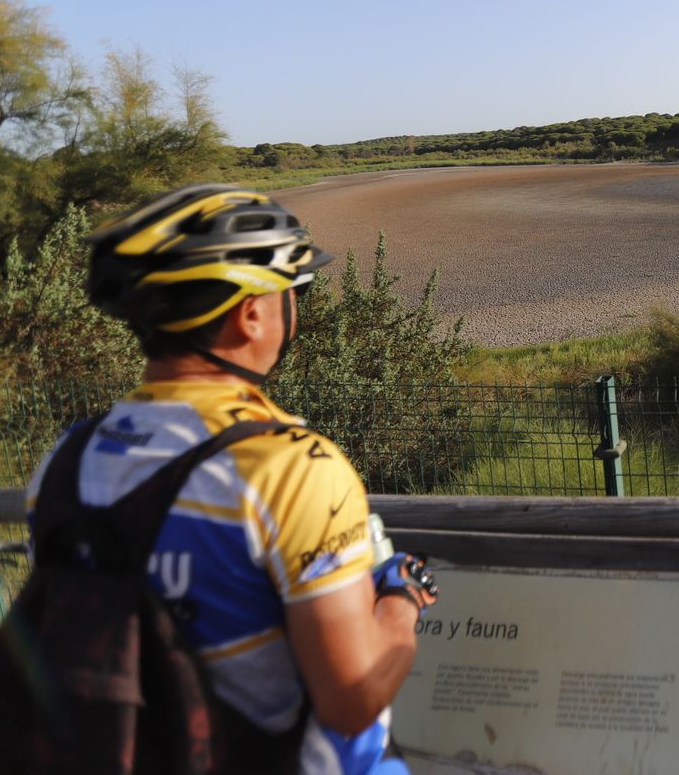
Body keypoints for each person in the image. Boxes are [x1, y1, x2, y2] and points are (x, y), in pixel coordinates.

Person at [25, 183, 439, 774]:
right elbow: (351, 701)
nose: (298, 306)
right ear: (252, 314)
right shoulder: (293, 468)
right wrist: (401, 598)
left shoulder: (67, 458)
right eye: (295, 290)